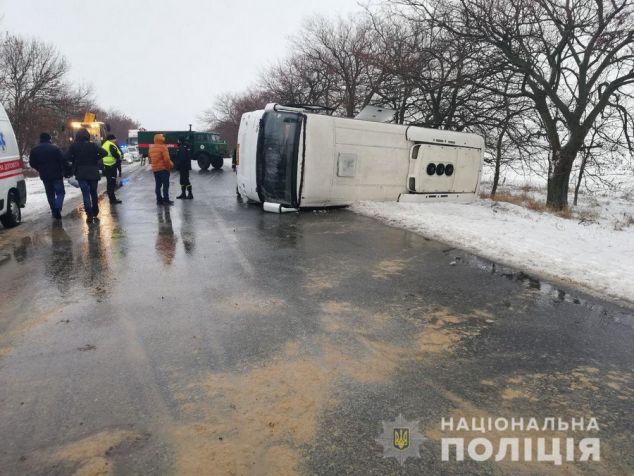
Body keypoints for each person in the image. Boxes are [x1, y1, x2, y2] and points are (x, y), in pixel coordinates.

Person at [67, 128, 106, 224]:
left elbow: (66, 156)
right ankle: (95, 211)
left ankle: (89, 214)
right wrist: (95, 159)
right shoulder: (92, 145)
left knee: (85, 194)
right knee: (93, 193)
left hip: (81, 173)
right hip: (93, 172)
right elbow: (104, 152)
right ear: (87, 136)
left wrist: (75, 160)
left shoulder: (74, 146)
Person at [29, 132, 68, 219]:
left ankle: (54, 210)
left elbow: (32, 163)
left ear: (40, 139)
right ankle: (58, 207)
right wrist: (63, 169)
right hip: (57, 174)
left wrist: (39, 169)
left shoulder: (35, 150)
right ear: (49, 139)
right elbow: (63, 159)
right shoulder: (55, 148)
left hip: (45, 175)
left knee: (50, 193)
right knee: (60, 192)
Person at [149, 133, 174, 205]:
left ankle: (159, 200)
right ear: (161, 139)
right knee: (165, 185)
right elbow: (167, 159)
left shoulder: (151, 148)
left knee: (158, 185)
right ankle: (166, 200)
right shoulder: (163, 147)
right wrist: (170, 165)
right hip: (163, 169)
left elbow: (150, 160)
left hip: (155, 170)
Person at [101, 134, 123, 204]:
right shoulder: (111, 144)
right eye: (114, 139)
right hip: (111, 165)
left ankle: (112, 198)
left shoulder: (104, 144)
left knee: (109, 182)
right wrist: (118, 157)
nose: (115, 140)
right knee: (112, 183)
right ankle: (112, 199)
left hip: (106, 165)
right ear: (111, 139)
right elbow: (114, 153)